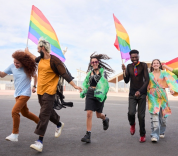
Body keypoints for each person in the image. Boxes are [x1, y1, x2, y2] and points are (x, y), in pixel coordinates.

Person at [25, 38, 82, 152]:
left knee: (43, 114)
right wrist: (27, 52)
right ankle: (59, 123)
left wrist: (74, 85)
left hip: (50, 92)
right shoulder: (40, 59)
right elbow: (33, 58)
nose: (37, 50)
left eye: (38, 48)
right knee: (48, 112)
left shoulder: (54, 61)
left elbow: (64, 74)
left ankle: (39, 141)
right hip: (40, 91)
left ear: (43, 48)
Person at [0, 50, 39, 142]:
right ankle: (40, 123)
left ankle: (15, 134)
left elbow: (35, 76)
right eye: (14, 62)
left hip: (25, 93)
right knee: (25, 113)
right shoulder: (12, 66)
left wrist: (34, 86)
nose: (15, 64)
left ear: (23, 62)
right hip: (17, 94)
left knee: (14, 111)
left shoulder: (28, 68)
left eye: (17, 63)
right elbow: (2, 75)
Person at [80, 52, 114, 143]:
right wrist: (83, 90)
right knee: (89, 113)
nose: (94, 63)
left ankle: (105, 118)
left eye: (96, 62)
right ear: (91, 64)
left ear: (98, 62)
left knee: (98, 115)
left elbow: (105, 84)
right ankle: (88, 134)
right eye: (92, 62)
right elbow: (85, 84)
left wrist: (101, 93)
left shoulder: (103, 72)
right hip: (90, 93)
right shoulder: (89, 74)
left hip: (99, 94)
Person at [122, 49, 149, 143]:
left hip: (142, 93)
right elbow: (126, 81)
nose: (134, 58)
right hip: (132, 94)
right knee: (131, 113)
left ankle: (142, 134)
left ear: (138, 56)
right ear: (130, 58)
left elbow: (147, 80)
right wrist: (124, 71)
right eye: (132, 57)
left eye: (136, 57)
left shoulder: (143, 65)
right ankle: (132, 124)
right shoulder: (129, 66)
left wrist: (140, 91)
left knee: (141, 116)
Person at [147, 59, 178, 142]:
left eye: (157, 63)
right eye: (154, 63)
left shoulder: (164, 73)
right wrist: (146, 96)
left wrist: (172, 89)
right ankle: (154, 135)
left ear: (160, 65)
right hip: (152, 95)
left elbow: (170, 81)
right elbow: (147, 85)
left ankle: (162, 131)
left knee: (163, 117)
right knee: (154, 116)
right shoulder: (149, 75)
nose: (156, 64)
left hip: (163, 95)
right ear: (152, 65)